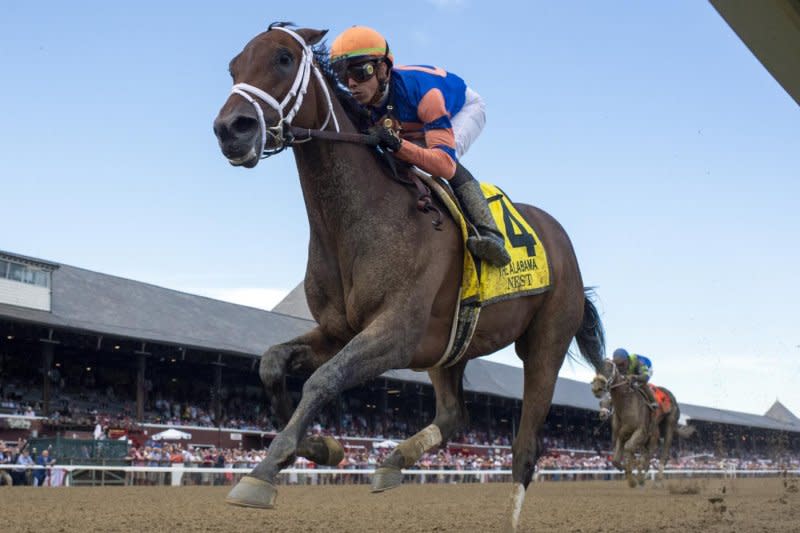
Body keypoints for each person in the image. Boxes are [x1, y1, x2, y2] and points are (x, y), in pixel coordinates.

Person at [329, 26, 511, 267]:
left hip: (460, 109)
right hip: (411, 120)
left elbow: (444, 165)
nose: (351, 84)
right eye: (343, 76)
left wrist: (396, 143)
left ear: (383, 68)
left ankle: (490, 234)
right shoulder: (364, 102)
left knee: (439, 162)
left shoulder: (427, 95)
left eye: (362, 72)